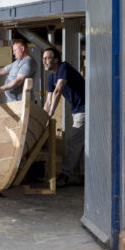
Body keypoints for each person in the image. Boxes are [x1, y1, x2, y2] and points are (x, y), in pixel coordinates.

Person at [42, 47, 85, 187]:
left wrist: (51, 113)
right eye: (43, 58)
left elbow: (58, 90)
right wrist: (42, 117)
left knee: (74, 142)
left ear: (56, 60)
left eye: (47, 58)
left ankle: (65, 175)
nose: (44, 61)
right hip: (77, 110)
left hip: (86, 109)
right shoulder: (51, 78)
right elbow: (48, 100)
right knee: (83, 144)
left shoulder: (63, 68)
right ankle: (84, 175)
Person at [0, 38, 34, 104]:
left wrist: (2, 88)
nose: (13, 53)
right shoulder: (17, 62)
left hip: (21, 102)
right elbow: (1, 70)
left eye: (15, 50)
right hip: (13, 101)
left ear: (22, 49)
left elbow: (19, 81)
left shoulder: (28, 63)